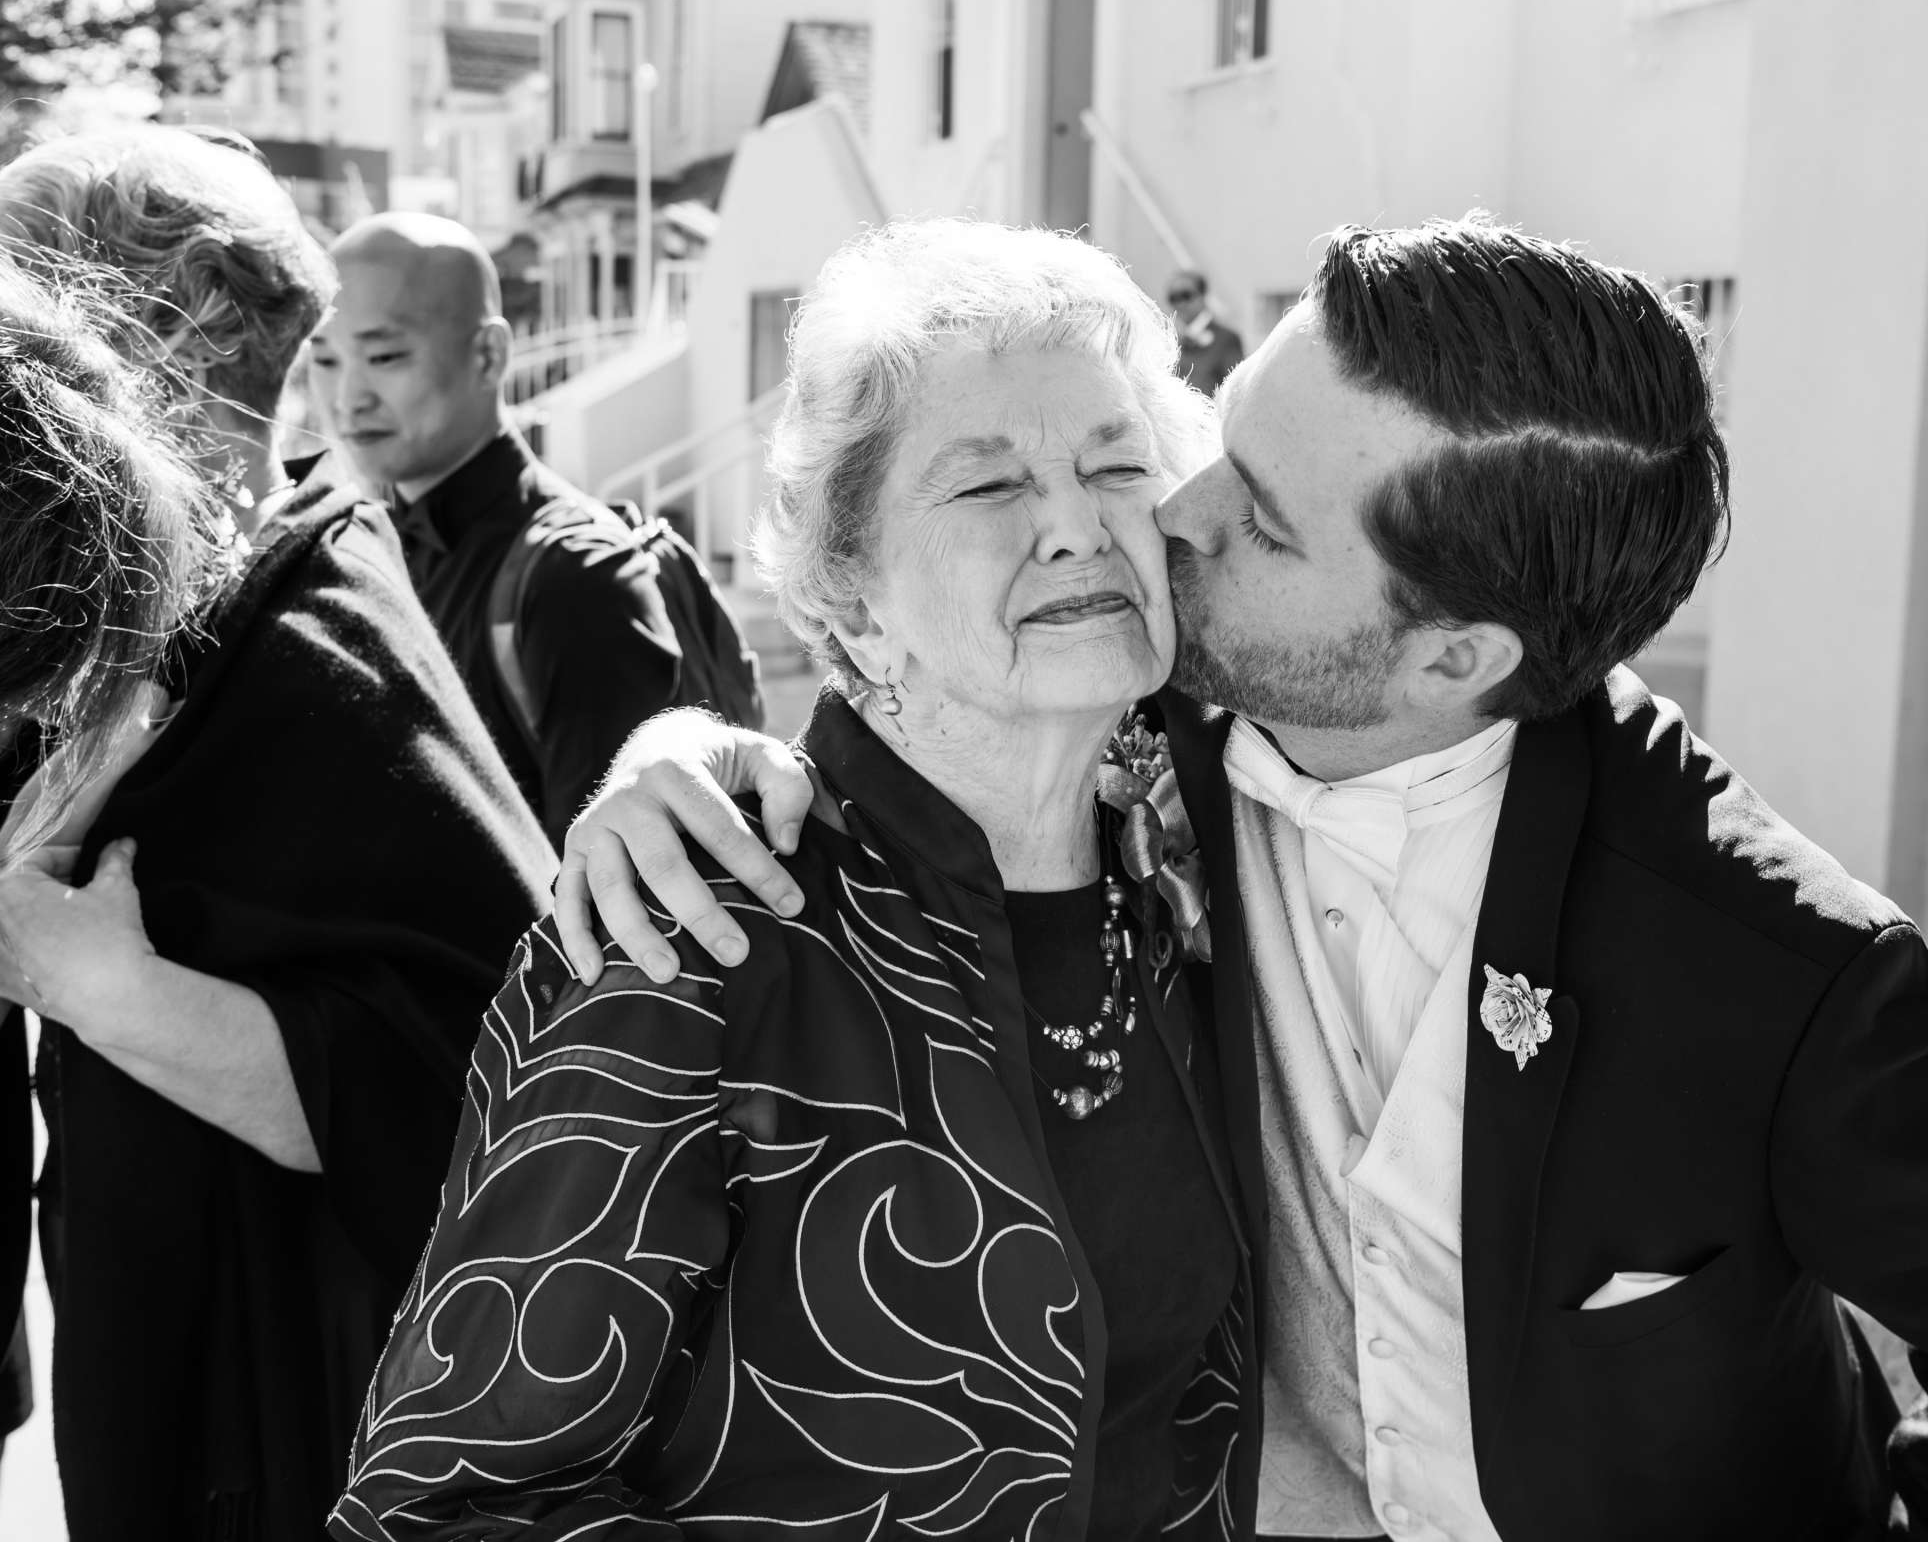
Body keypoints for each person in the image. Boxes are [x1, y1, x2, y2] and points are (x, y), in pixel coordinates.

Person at [561, 216, 1928, 1540]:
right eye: (1218, 443)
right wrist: (678, 742)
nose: (1167, 516)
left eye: (1255, 522)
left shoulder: (1784, 974)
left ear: (1452, 653)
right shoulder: (1137, 718)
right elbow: (917, 647)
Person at [334, 220, 1251, 1541]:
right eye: (988, 488)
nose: (1077, 529)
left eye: (1116, 466)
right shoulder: (697, 925)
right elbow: (444, 1506)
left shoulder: (1178, 875)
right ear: (850, 598)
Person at [0, 128, 553, 1542]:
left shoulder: (307, 632)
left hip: (295, 1419)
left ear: (172, 312)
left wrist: (103, 987)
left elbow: (483, 1081)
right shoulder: (163, 612)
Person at [307, 212, 688, 845]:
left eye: (383, 356)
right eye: (324, 359)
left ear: (488, 355)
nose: (348, 397)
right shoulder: (359, 546)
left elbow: (605, 894)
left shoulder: (577, 576)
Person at [1168, 268, 1245, 398]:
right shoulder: (1170, 341)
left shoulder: (1227, 339)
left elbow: (1236, 391)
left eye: (1186, 295)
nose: (1180, 303)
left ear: (1202, 296)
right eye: (1173, 298)